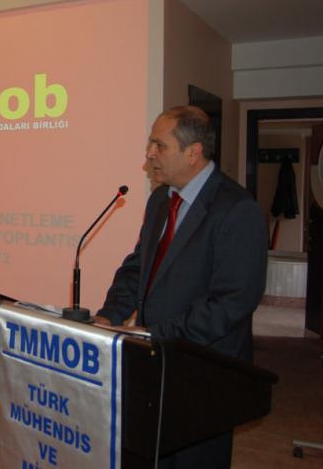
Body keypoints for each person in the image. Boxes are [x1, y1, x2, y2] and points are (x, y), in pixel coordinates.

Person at [94, 105, 267, 468]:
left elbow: (232, 302)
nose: (149, 154)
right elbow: (139, 267)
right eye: (150, 143)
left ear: (193, 152)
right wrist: (110, 315)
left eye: (160, 145)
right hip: (154, 361)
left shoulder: (237, 208)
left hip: (203, 371)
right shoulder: (160, 199)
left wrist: (156, 334)